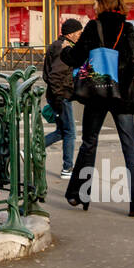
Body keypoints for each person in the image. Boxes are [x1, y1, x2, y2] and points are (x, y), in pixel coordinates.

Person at [61, 0, 134, 217]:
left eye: (96, 2)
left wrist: (64, 52)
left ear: (102, 4)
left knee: (89, 142)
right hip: (122, 95)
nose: (93, 6)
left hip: (97, 94)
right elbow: (133, 58)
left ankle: (79, 193)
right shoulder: (127, 28)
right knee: (130, 144)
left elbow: (76, 56)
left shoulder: (93, 26)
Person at [42, 18, 83, 180]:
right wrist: (60, 99)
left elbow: (47, 74)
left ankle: (31, 150)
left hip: (58, 95)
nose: (80, 36)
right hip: (62, 96)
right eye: (79, 33)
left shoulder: (57, 45)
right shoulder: (62, 48)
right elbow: (55, 76)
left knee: (61, 131)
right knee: (70, 132)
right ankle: (67, 168)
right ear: (71, 34)